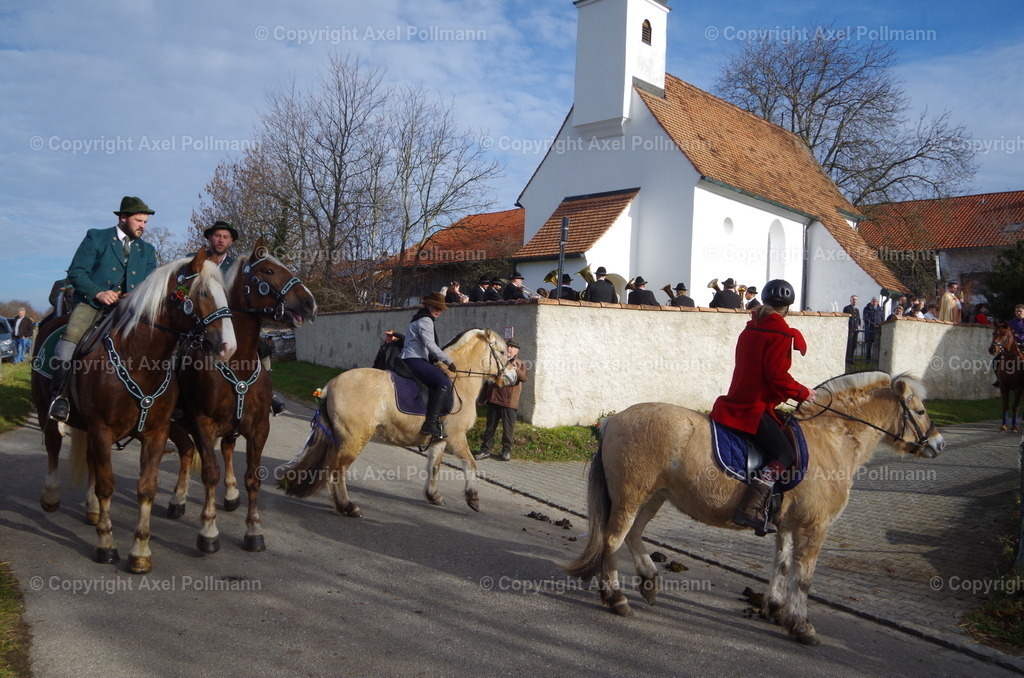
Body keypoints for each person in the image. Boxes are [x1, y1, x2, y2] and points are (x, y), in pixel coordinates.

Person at [710, 279, 817, 535]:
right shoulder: (779, 333)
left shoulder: (750, 328)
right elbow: (776, 376)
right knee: (785, 454)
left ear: (766, 302)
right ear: (788, 307)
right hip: (752, 408)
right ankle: (750, 507)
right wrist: (803, 393)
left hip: (736, 400)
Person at [49, 196, 158, 422]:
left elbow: (150, 282)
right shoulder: (96, 237)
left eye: (145, 222)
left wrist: (135, 295)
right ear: (123, 217)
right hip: (92, 303)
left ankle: (161, 399)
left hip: (130, 309)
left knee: (160, 339)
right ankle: (60, 396)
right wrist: (98, 292)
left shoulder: (147, 250)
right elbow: (77, 272)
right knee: (71, 336)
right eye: (139, 220)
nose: (143, 226)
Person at [400, 292, 457, 438]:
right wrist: (448, 361)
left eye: (441, 308)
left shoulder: (420, 317)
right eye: (435, 307)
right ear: (427, 305)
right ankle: (430, 423)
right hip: (414, 359)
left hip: (414, 358)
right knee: (443, 383)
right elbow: (430, 344)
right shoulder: (425, 320)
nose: (439, 311)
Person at [473, 339, 530, 462]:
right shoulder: (496, 362)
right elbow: (488, 382)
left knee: (508, 429)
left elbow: (525, 378)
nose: (509, 349)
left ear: (516, 351)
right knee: (489, 428)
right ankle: (485, 450)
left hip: (509, 402)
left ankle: (506, 451)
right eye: (508, 346)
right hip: (494, 400)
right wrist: (482, 398)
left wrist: (516, 370)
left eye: (512, 347)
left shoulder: (519, 363)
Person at [862, 297, 883, 361]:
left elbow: (882, 318)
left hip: (878, 329)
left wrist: (880, 324)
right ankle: (868, 359)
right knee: (869, 345)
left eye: (876, 302)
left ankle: (876, 359)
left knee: (877, 344)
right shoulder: (867, 309)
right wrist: (873, 324)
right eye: (873, 301)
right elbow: (865, 318)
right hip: (870, 329)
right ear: (871, 302)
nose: (874, 303)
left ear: (878, 302)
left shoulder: (880, 309)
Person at [842, 295, 861, 364]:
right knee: (849, 345)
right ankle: (847, 360)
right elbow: (847, 319)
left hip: (856, 330)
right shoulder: (847, 308)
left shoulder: (857, 310)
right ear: (850, 300)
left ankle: (851, 359)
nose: (854, 301)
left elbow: (858, 319)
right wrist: (853, 326)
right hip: (850, 330)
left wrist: (859, 325)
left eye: (856, 300)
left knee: (854, 345)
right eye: (853, 299)